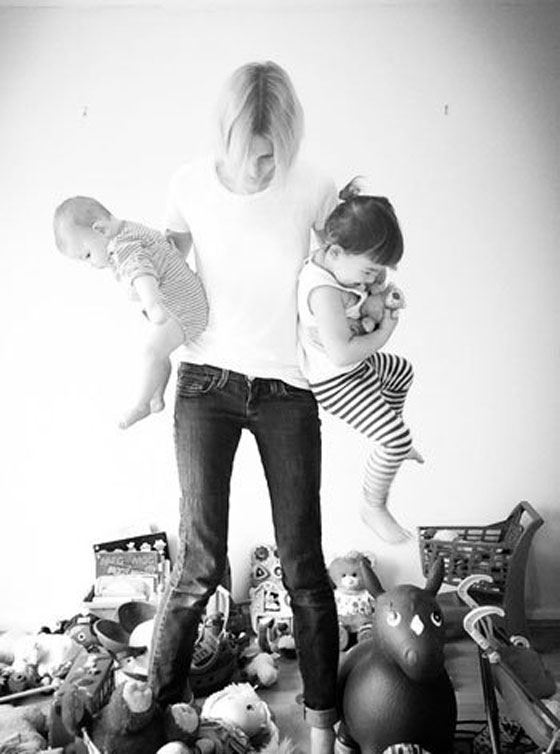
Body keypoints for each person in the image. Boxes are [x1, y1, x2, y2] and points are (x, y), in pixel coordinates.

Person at [148, 61, 340, 754]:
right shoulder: (189, 185)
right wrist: (144, 306)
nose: (262, 168)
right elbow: (164, 271)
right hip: (206, 384)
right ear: (224, 135)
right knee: (198, 563)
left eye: (272, 155)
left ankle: (322, 728)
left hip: (288, 388)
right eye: (250, 153)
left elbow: (348, 262)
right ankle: (163, 716)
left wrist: (371, 310)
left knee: (304, 567)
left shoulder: (312, 184)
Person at [297, 179, 423, 544]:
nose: (376, 278)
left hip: (358, 369)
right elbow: (342, 354)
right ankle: (373, 505)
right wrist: (386, 330)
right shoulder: (324, 291)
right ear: (335, 252)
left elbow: (369, 290)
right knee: (396, 439)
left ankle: (390, 435)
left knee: (401, 371)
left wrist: (379, 291)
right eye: (370, 271)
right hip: (337, 383)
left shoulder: (341, 265)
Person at [53, 197, 208, 429]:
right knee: (159, 353)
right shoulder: (132, 230)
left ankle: (141, 405)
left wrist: (153, 305)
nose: (92, 264)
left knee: (150, 352)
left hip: (183, 308)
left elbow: (141, 273)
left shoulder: (122, 246)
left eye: (87, 255)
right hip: (189, 300)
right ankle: (156, 396)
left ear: (100, 229)